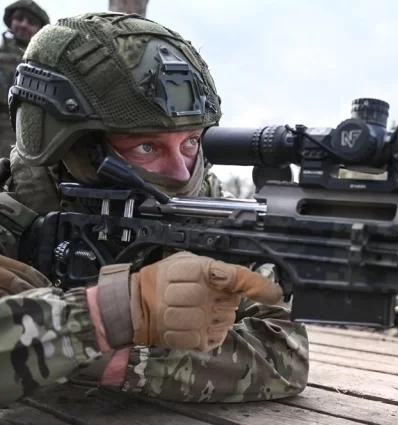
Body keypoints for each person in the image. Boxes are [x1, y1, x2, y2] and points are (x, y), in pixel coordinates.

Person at [0, 12, 309, 406]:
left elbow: (284, 353)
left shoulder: (205, 211)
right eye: (146, 146)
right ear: (70, 147)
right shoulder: (13, 222)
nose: (181, 172)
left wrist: (105, 353)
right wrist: (106, 314)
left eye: (191, 142)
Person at [0, 0, 48, 159]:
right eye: (19, 18)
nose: (23, 25)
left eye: (31, 22)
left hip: (28, 130)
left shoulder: (45, 63)